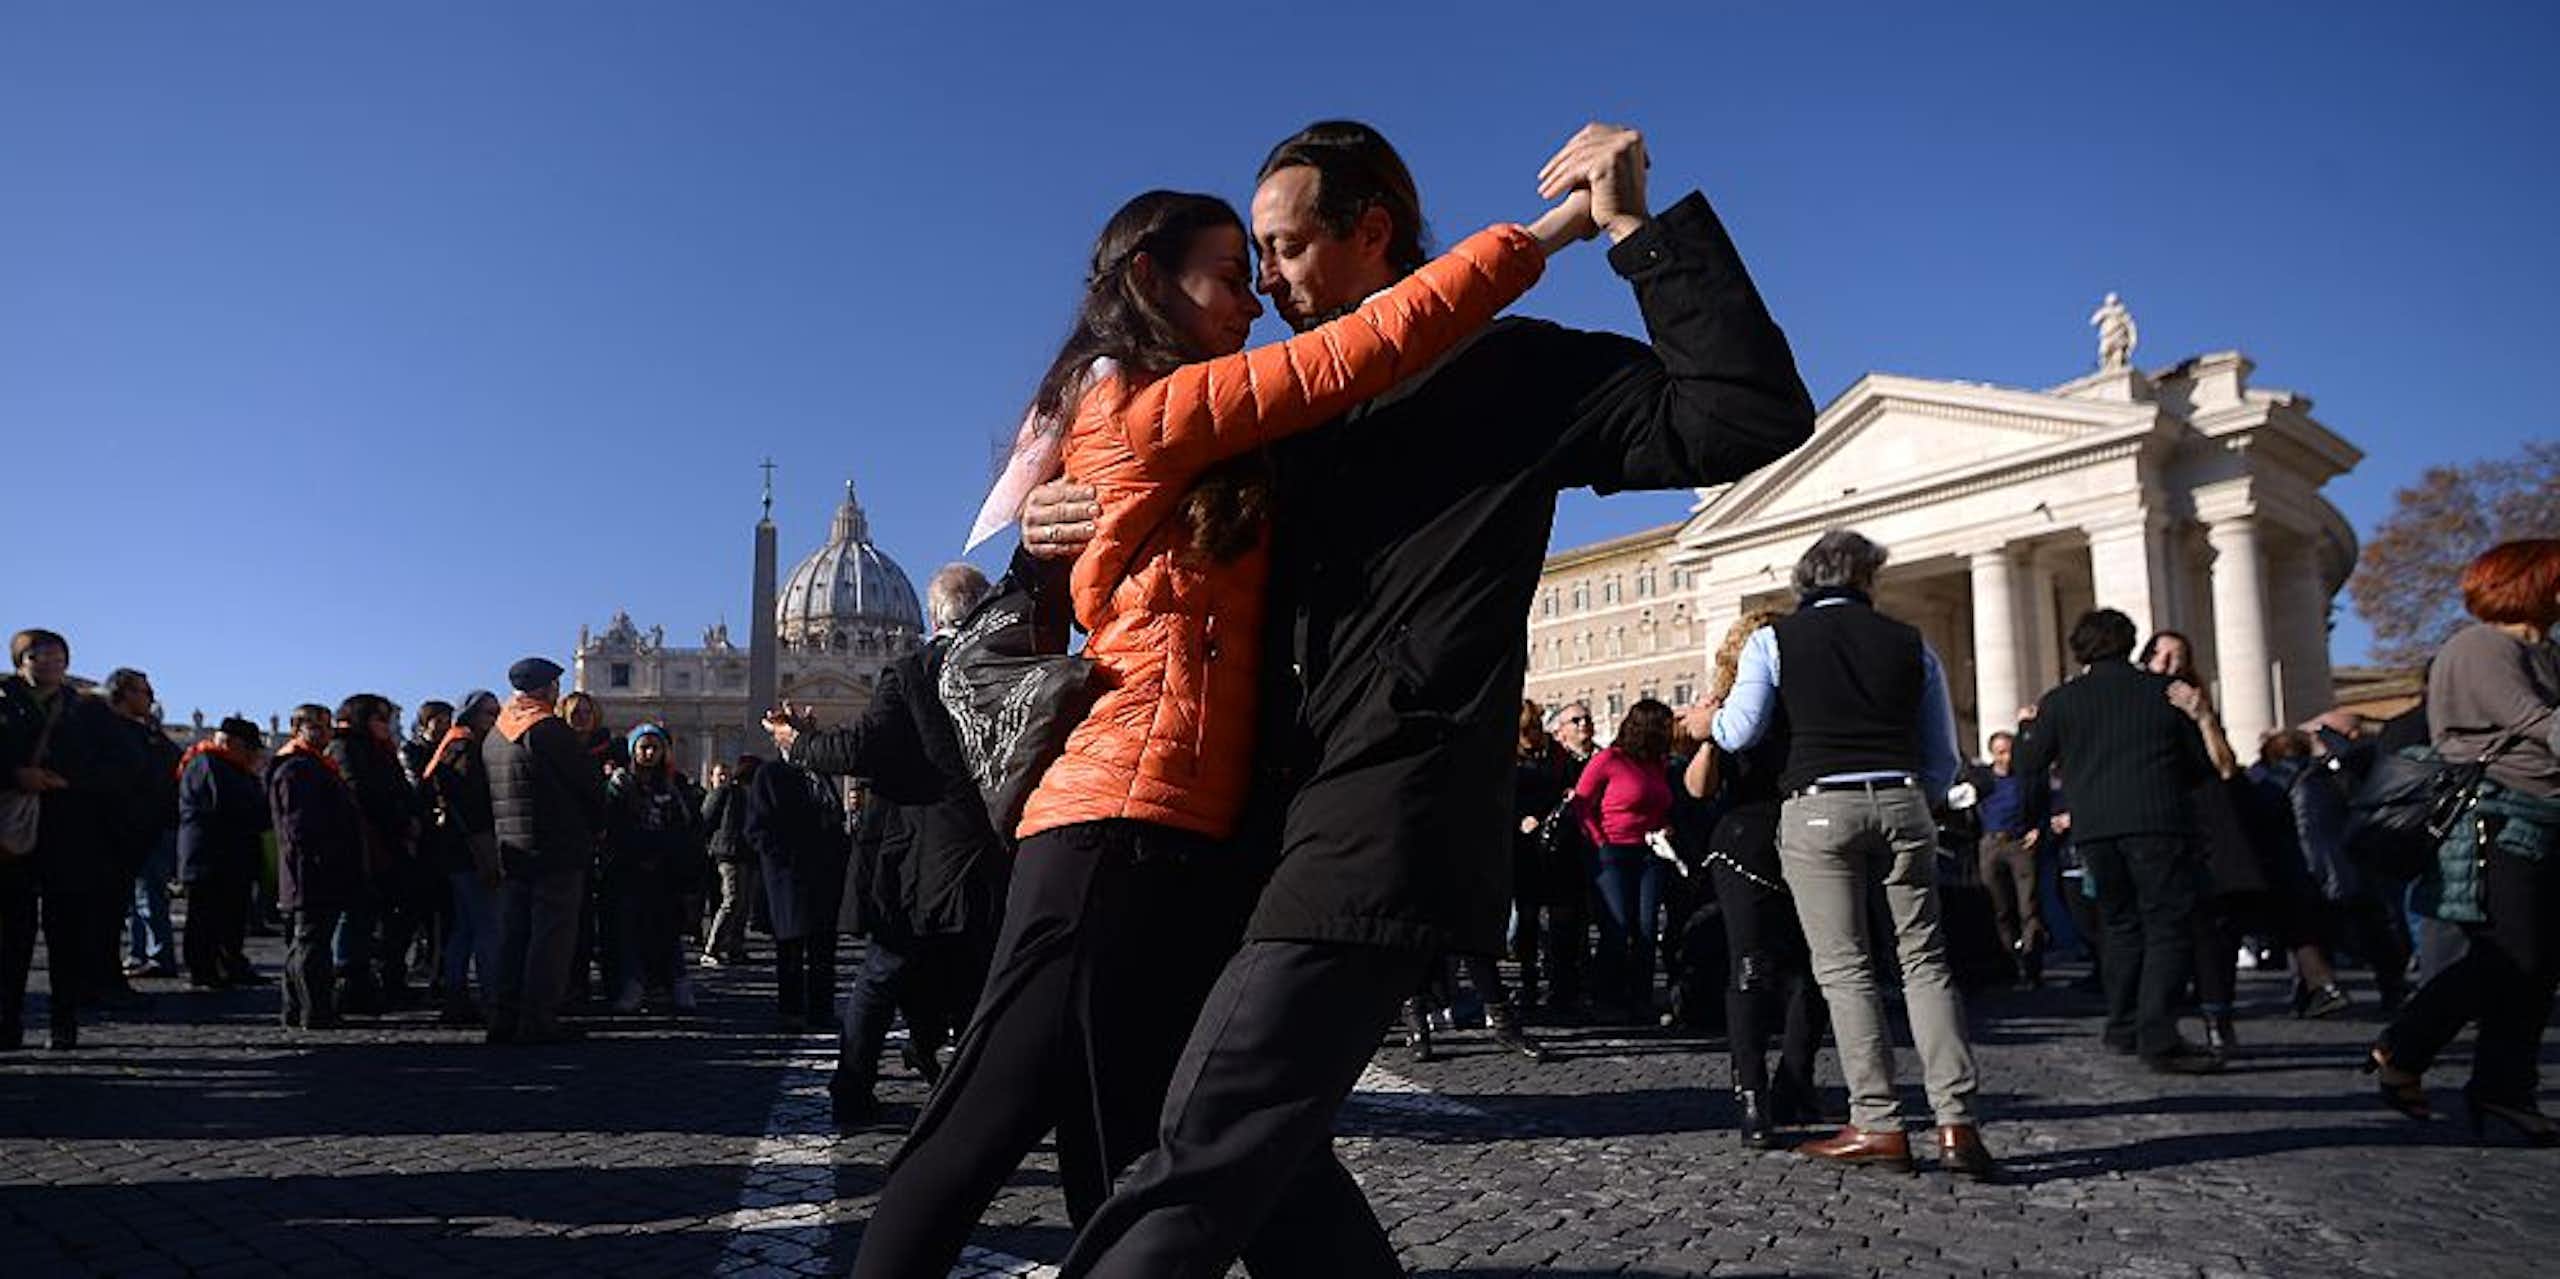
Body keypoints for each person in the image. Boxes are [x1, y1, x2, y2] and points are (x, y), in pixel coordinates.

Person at [1024, 120, 1815, 1276]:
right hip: (1247, 828)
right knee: (1274, 1165)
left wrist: (1641, 231)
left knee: (1203, 1138)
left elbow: (1746, 415)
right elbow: (1141, 509)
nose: (1269, 282)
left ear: (1373, 232)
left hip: (1385, 816)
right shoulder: (1267, 410)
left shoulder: (1509, 371)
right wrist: (1053, 522)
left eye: (1288, 249)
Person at [849, 165, 1585, 1279]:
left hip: (1177, 832)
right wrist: (1548, 234)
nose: (1250, 302)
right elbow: (1356, 348)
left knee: (1152, 1130)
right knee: (982, 1120)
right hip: (1111, 821)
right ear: (1151, 280)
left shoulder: (1185, 429)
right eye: (1228, 277)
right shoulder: (1148, 407)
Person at [1708, 530, 1991, 1176]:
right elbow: (1943, 753)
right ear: (1868, 581)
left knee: (1845, 967)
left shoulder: (1773, 641)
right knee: (1925, 961)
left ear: (1804, 582)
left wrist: (1716, 720)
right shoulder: (1911, 642)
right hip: (1902, 799)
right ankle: (1957, 1123)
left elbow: (1739, 730)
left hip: (1817, 803)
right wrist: (1926, 797)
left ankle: (1879, 1121)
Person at [765, 563, 1011, 1125]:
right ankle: (970, 1091)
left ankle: (853, 1086)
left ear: (930, 614)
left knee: (882, 974)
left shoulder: (910, 672)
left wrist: (796, 742)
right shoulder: (1002, 670)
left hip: (919, 859)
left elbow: (858, 750)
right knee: (976, 975)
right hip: (988, 852)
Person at [2372, 539, 2560, 1145]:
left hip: (2541, 815)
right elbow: (2535, 722)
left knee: (2535, 966)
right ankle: (2404, 1045)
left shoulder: (2543, 651)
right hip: (2495, 818)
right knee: (2510, 953)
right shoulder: (2480, 645)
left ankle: (2504, 1088)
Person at [2015, 609, 2222, 1076]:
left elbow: (2028, 763)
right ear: (2130, 644)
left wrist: (2028, 726)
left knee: (2119, 927)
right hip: (2158, 823)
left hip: (2095, 830)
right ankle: (2158, 1034)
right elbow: (2199, 769)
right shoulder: (2161, 694)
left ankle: (2123, 1024)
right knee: (2166, 928)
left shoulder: (2062, 701)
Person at [1682, 609, 1831, 1148]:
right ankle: (1756, 1093)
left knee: (1808, 967)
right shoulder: (1729, 707)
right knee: (1756, 965)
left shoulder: (1788, 702)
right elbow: (1698, 789)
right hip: (1754, 839)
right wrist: (1707, 738)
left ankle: (1789, 1082)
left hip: (1791, 835)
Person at [2, 629, 135, 1050]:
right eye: (39, 655)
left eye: (58, 655)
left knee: (67, 931)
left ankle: (64, 1019)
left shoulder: (87, 711)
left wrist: (69, 782)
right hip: (10, 833)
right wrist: (15, 776)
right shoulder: (4, 703)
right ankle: (7, 1020)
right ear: (21, 661)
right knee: (10, 932)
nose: (51, 662)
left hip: (70, 831)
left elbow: (122, 767)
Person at [482, 657, 608, 1045]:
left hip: (512, 847)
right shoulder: (548, 730)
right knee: (551, 935)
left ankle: (503, 1014)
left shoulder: (495, 734)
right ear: (547, 688)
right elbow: (588, 784)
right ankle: (538, 1017)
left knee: (514, 933)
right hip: (555, 846)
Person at [1577, 699, 1676, 1023]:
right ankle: (1607, 996)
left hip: (1649, 852)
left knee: (1647, 928)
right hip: (1612, 852)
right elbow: (1582, 804)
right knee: (1616, 927)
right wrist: (1599, 842)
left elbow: (1661, 803)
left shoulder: (1658, 764)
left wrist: (1665, 827)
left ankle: (1640, 997)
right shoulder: (1608, 760)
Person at [268, 704, 364, 1031]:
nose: (325, 733)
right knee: (311, 943)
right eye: (316, 726)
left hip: (316, 868)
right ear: (298, 728)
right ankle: (315, 1010)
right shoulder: (297, 768)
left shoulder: (314, 765)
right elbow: (300, 826)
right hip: (312, 870)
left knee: (306, 942)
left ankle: (297, 1008)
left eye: (327, 726)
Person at [743, 752, 845, 1033]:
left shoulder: (820, 773)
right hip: (789, 874)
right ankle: (791, 1009)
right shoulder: (771, 774)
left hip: (823, 874)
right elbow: (757, 829)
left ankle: (821, 1008)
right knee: (791, 948)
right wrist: (780, 858)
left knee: (823, 948)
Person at [603, 723, 702, 1014]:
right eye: (644, 747)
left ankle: (675, 983)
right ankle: (634, 985)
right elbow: (615, 827)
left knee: (667, 931)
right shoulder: (621, 784)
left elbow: (685, 827)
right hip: (630, 867)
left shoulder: (673, 787)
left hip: (665, 869)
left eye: (655, 748)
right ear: (633, 750)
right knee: (631, 931)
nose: (649, 753)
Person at [326, 694, 414, 1013]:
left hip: (386, 843)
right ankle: (349, 983)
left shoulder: (381, 750)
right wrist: (395, 815)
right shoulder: (346, 747)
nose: (387, 726)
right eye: (381, 719)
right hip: (363, 845)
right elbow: (360, 793)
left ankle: (377, 978)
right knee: (354, 916)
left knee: (376, 917)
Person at [420, 691, 501, 1024]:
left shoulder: (453, 744)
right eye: (489, 713)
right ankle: (493, 998)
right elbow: (473, 807)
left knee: (465, 928)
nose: (495, 719)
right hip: (470, 851)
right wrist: (486, 852)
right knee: (486, 926)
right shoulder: (466, 747)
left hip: (455, 850)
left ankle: (456, 994)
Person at [177, 717, 272, 989]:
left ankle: (231, 963)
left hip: (233, 856)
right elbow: (230, 807)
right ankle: (203, 969)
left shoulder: (233, 767)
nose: (254, 755)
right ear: (232, 743)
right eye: (250, 749)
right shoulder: (208, 763)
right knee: (205, 916)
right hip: (210, 856)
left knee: (233, 916)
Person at [105, 669, 182, 986]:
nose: (150, 699)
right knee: (136, 897)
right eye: (144, 693)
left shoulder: (149, 733)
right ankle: (141, 954)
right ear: (123, 694)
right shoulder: (119, 732)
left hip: (152, 824)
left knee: (148, 894)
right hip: (132, 824)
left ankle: (157, 954)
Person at [1966, 729, 2045, 989]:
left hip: (2020, 843)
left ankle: (2032, 967)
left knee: (2028, 907)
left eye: (2009, 751)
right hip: (1991, 842)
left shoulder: (2027, 778)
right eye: (2000, 752)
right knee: (1998, 908)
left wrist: (2038, 828)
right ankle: (2010, 964)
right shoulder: (1982, 780)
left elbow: (2043, 804)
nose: (2006, 758)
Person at [700, 756, 761, 966]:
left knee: (743, 904)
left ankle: (736, 947)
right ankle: (712, 948)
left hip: (746, 853)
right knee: (732, 900)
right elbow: (706, 819)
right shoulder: (726, 792)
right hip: (728, 852)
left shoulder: (750, 795)